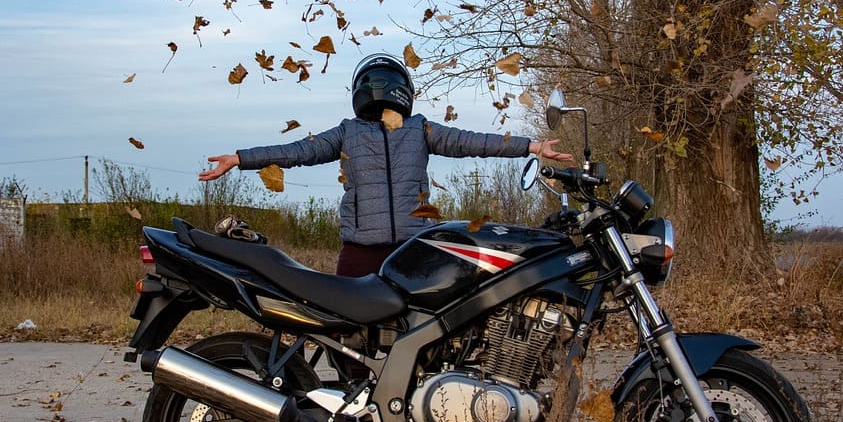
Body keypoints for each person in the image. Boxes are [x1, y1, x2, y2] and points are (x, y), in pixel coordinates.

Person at [200, 52, 573, 276]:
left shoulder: (419, 129)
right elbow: (298, 151)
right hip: (361, 250)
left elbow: (472, 141)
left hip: (415, 247)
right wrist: (241, 158)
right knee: (344, 332)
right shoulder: (347, 133)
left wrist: (532, 146)